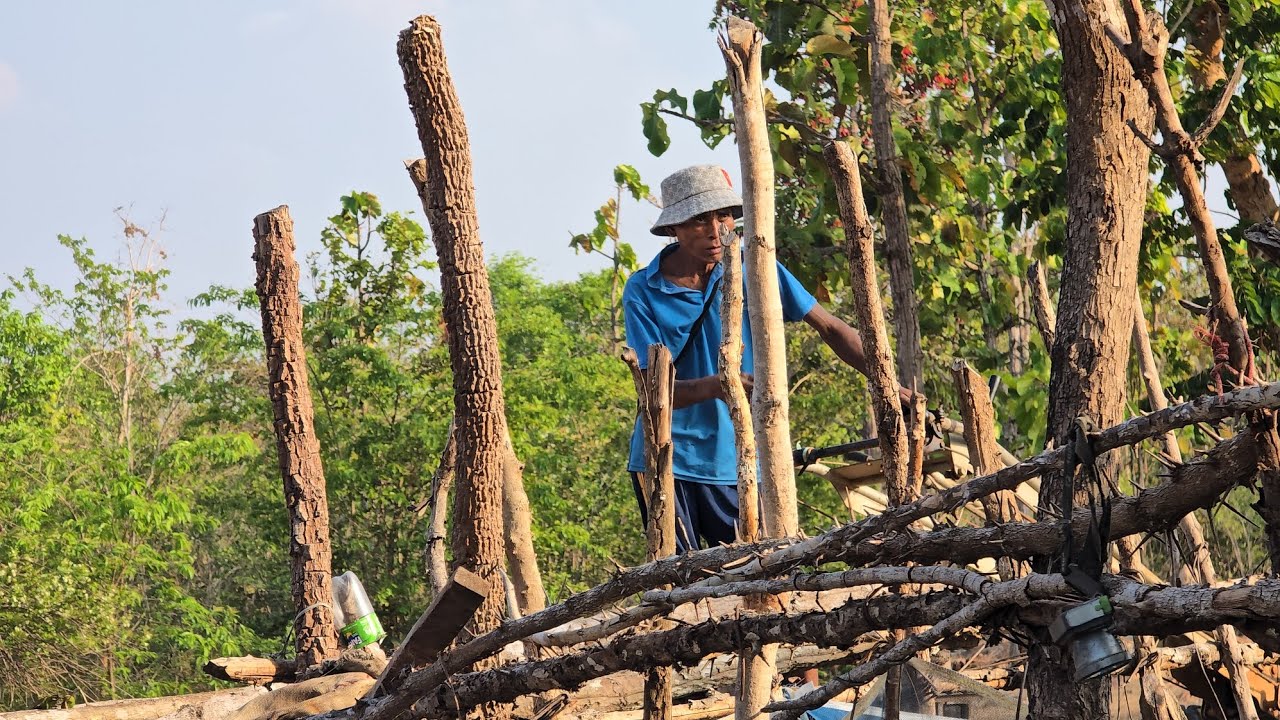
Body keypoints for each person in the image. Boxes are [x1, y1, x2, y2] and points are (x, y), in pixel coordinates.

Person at [623, 164, 886, 553]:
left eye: (723, 216)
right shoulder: (644, 289)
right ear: (673, 230)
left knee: (757, 569)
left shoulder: (756, 266)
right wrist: (722, 385)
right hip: (666, 458)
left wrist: (889, 385)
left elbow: (830, 329)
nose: (716, 231)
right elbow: (653, 389)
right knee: (678, 582)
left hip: (742, 458)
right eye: (699, 220)